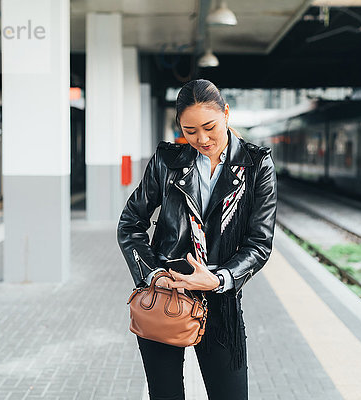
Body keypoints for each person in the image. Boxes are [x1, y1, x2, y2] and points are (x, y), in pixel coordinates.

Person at [117, 79, 277, 400]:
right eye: (190, 131)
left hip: (220, 302)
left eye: (209, 127)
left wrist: (218, 279)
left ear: (226, 113)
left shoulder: (256, 165)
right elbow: (130, 224)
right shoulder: (167, 161)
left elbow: (259, 244)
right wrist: (153, 274)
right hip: (165, 298)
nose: (202, 139)